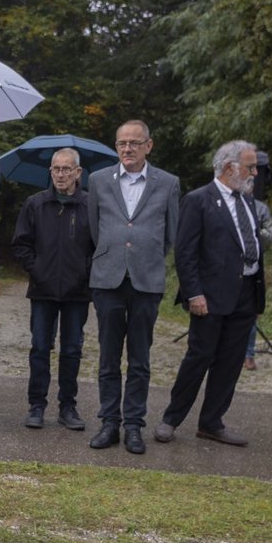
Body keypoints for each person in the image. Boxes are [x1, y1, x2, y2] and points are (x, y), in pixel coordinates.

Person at [154, 142, 264, 447]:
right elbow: (185, 252)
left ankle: (211, 422)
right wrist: (194, 293)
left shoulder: (247, 201)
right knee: (199, 357)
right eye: (250, 166)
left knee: (230, 363)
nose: (255, 172)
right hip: (210, 296)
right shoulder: (199, 200)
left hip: (244, 294)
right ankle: (170, 419)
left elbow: (249, 242)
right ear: (230, 167)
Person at [86, 120, 179, 455]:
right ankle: (109, 422)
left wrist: (142, 254)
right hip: (108, 280)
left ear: (148, 146)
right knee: (108, 358)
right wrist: (115, 253)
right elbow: (95, 229)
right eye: (122, 142)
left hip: (146, 280)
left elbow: (171, 235)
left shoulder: (167, 184)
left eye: (134, 143)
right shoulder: (97, 181)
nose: (127, 148)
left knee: (139, 359)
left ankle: (134, 426)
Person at [11, 147, 94, 431]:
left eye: (66, 169)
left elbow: (100, 247)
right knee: (39, 349)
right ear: (51, 172)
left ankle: (67, 407)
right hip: (43, 290)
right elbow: (21, 245)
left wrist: (85, 273)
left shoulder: (90, 205)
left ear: (78, 173)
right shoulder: (35, 204)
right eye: (56, 169)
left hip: (77, 293)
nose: (61, 174)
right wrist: (39, 270)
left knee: (72, 350)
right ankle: (36, 406)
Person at [241, 171, 272, 370]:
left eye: (247, 184)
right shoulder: (226, 205)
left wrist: (252, 232)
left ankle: (248, 354)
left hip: (253, 267)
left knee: (251, 313)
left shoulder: (261, 209)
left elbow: (270, 237)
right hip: (227, 266)